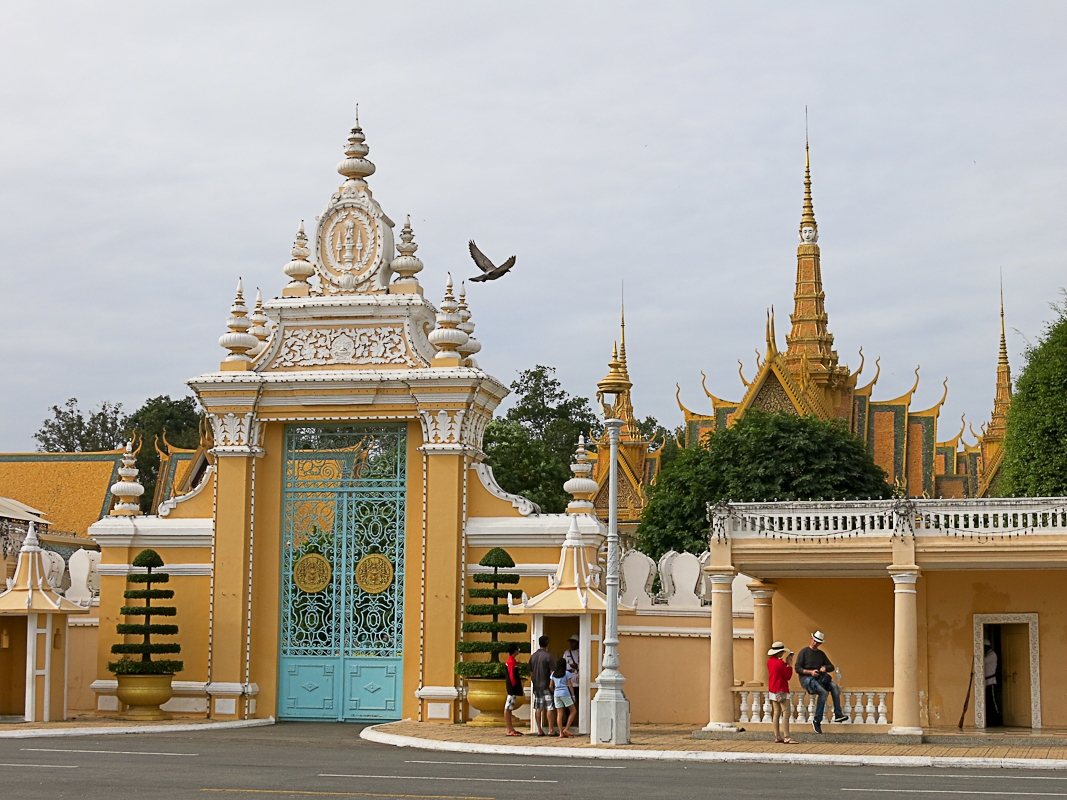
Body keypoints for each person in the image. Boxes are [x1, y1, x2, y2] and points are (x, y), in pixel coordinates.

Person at [794, 630, 848, 733]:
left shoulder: (821, 654)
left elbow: (831, 667)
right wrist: (810, 672)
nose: (815, 643)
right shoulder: (804, 652)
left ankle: (838, 714)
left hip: (819, 678)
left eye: (818, 642)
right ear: (811, 639)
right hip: (807, 679)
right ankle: (817, 720)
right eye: (814, 641)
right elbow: (798, 668)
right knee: (823, 693)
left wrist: (824, 668)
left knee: (834, 686)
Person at [767, 642, 798, 744]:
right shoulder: (780, 663)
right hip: (781, 689)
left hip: (772, 690)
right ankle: (787, 737)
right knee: (786, 713)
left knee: (776, 713)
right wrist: (789, 665)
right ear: (779, 652)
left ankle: (777, 736)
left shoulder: (769, 662)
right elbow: (787, 676)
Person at [529, 635, 556, 736]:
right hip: (546, 684)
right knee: (549, 707)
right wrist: (552, 685)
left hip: (537, 685)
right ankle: (550, 729)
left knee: (538, 708)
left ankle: (539, 729)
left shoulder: (533, 656)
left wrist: (534, 682)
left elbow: (531, 672)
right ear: (547, 644)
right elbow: (552, 672)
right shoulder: (548, 656)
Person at [551, 657, 576, 738]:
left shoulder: (553, 674)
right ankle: (567, 728)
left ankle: (561, 733)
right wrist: (573, 695)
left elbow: (550, 686)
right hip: (565, 693)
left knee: (559, 714)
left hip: (556, 694)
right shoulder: (566, 673)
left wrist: (554, 692)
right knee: (573, 711)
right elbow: (570, 685)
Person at [503, 643, 524, 736]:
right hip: (512, 689)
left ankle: (511, 728)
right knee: (508, 708)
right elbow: (511, 676)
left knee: (509, 708)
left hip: (512, 688)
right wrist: (514, 687)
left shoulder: (512, 660)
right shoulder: (511, 661)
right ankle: (509, 729)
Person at [984, 637, 1001, 726]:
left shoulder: (992, 655)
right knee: (988, 702)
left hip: (991, 682)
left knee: (993, 701)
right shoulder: (988, 654)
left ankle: (997, 719)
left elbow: (982, 661)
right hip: (986, 682)